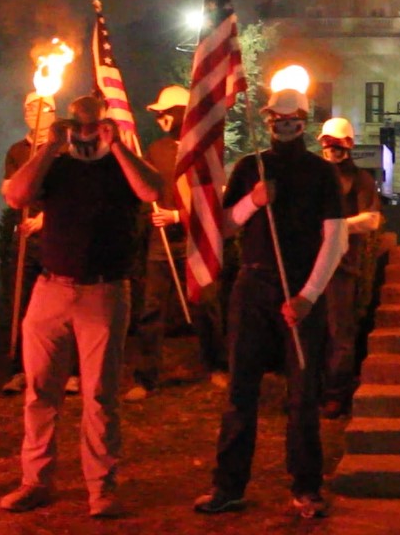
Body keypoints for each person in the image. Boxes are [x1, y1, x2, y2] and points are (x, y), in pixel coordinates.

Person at [0, 95, 162, 518]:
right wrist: (50, 148)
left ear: (104, 126)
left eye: (94, 127)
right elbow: (16, 195)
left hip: (104, 291)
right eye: (80, 127)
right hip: (51, 288)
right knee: (39, 390)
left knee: (100, 395)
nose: (86, 136)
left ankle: (101, 489)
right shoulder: (57, 163)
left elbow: (151, 190)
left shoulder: (119, 166)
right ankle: (35, 480)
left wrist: (121, 146)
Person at [193, 87, 348, 519]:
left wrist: (307, 296)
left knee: (303, 397)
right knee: (241, 393)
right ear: (267, 121)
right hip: (254, 287)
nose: (285, 124)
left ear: (304, 120)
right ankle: (228, 486)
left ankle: (306, 487)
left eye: (293, 117)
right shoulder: (249, 167)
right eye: (278, 118)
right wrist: (252, 201)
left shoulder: (321, 173)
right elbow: (222, 228)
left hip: (301, 292)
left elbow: (335, 238)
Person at [125, 85, 228, 401]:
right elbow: (145, 189)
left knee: (206, 305)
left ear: (180, 114)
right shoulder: (156, 152)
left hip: (196, 240)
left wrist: (178, 218)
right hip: (161, 245)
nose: (159, 120)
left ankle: (217, 366)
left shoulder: (205, 151)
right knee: (152, 309)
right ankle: (146, 377)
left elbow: (212, 200)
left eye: (163, 114)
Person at [0, 93, 80, 397]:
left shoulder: (67, 150)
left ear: (53, 113)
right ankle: (20, 369)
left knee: (64, 307)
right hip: (27, 243)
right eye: (29, 107)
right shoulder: (18, 150)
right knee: (22, 305)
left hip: (58, 239)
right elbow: (10, 187)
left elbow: (72, 193)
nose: (35, 112)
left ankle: (69, 371)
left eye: (42, 107)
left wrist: (44, 218)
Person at [316, 117, 383, 419]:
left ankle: (335, 394)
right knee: (310, 330)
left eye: (338, 143)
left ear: (350, 145)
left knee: (339, 332)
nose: (332, 148)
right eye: (327, 142)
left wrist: (334, 228)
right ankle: (308, 390)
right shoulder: (311, 176)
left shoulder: (360, 180)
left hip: (342, 266)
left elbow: (371, 219)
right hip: (308, 264)